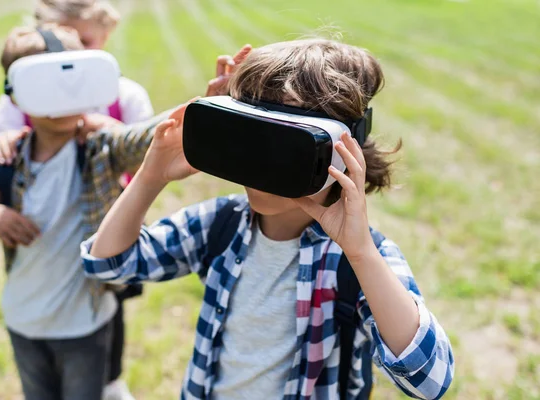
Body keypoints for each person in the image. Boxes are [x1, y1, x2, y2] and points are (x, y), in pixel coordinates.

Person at [80, 38, 455, 400]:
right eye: (248, 140)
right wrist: (151, 176)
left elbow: (430, 379)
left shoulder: (359, 261)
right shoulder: (222, 223)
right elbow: (109, 263)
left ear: (341, 153)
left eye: (284, 148)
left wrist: (360, 254)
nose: (258, 169)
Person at [0, 24, 168, 400]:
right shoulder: (5, 161)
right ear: (16, 96)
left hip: (86, 324)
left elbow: (154, 138)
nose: (63, 99)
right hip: (24, 322)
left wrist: (207, 106)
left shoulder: (103, 148)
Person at [0, 0, 153, 170]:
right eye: (56, 43)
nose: (71, 53)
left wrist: (119, 138)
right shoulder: (22, 98)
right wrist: (3, 144)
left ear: (104, 36)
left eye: (83, 42)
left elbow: (152, 165)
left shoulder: (128, 97)